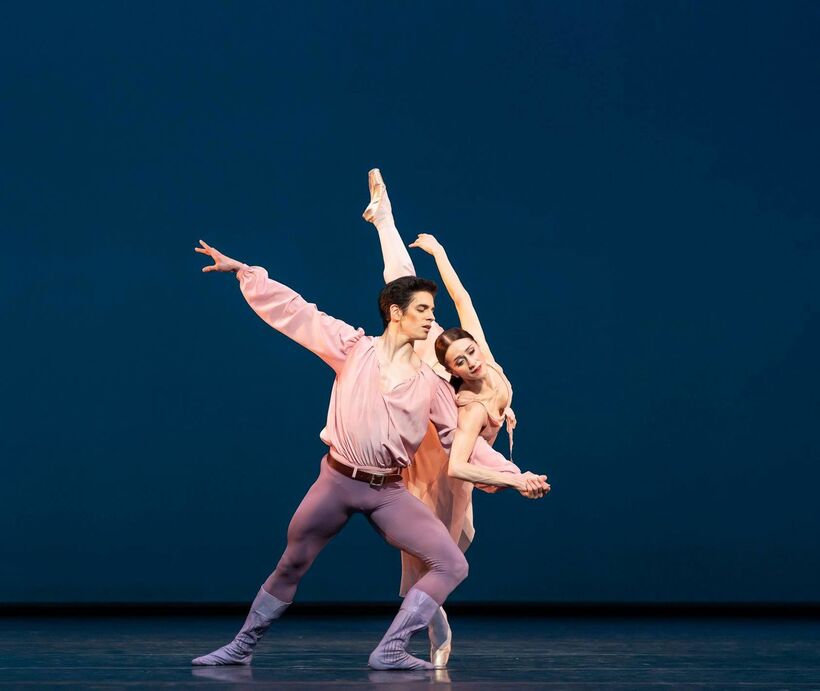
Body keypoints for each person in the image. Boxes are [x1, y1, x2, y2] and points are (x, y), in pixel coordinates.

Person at [191, 238, 549, 671]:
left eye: (431, 311)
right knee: (292, 562)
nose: (431, 318)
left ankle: (392, 648)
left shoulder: (433, 386)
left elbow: (464, 444)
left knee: (452, 563)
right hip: (337, 482)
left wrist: (515, 475)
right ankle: (241, 646)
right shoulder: (354, 348)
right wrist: (245, 271)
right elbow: (297, 312)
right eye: (422, 310)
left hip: (387, 491)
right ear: (396, 313)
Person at [363, 168, 550, 667]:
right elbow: (459, 455)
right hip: (436, 452)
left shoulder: (483, 357)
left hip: (449, 448)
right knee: (435, 552)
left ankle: (430, 617)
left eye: (469, 354)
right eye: (461, 361)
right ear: (453, 369)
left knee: (447, 549)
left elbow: (464, 301)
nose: (469, 359)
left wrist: (441, 253)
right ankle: (385, 221)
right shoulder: (460, 396)